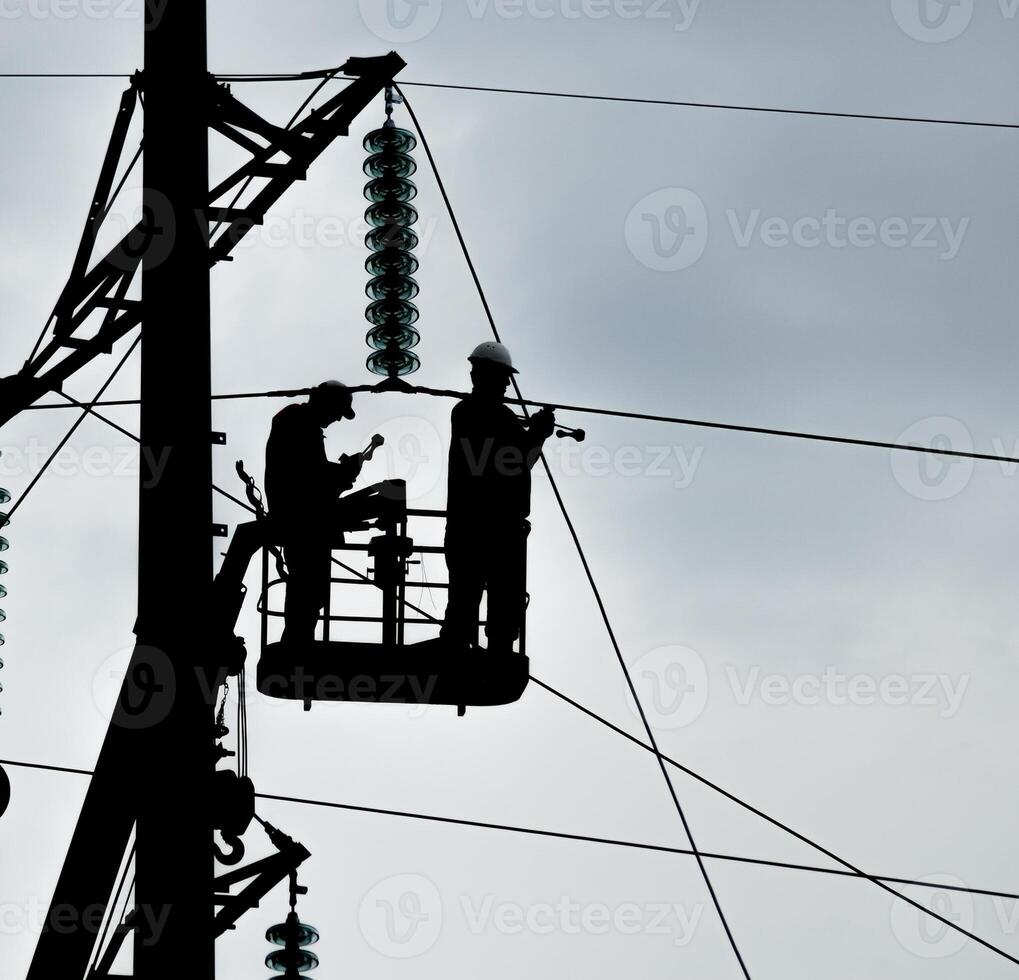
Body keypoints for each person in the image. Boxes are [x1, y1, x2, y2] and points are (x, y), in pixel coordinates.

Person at [441, 342, 555, 654]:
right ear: (482, 375)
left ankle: (483, 649)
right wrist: (537, 433)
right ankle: (463, 651)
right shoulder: (471, 414)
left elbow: (523, 459)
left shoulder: (492, 417)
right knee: (472, 595)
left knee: (494, 597)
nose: (507, 384)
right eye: (503, 377)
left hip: (488, 527)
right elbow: (509, 461)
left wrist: (536, 434)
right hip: (483, 526)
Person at [265, 380, 365, 645]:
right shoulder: (301, 424)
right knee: (307, 589)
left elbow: (309, 473)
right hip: (302, 523)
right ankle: (298, 645)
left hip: (297, 518)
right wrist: (343, 474)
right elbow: (308, 478)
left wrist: (339, 475)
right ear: (326, 404)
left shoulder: (296, 422)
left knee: (306, 589)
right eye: (336, 413)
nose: (336, 420)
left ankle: (298, 642)